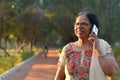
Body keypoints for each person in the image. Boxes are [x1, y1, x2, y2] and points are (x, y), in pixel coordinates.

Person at [54, 12, 118, 80]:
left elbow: (112, 72)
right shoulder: (67, 49)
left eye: (84, 24)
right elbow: (59, 77)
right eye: (77, 24)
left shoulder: (103, 46)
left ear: (93, 27)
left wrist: (98, 49)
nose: (79, 27)